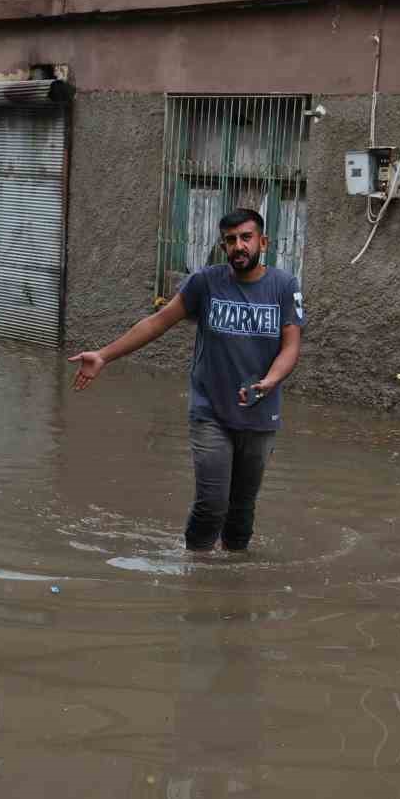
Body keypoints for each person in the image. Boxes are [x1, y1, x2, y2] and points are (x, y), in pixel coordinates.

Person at [68, 208, 303, 552]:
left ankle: (233, 584)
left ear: (262, 242)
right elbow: (157, 322)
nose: (239, 246)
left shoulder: (284, 286)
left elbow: (291, 346)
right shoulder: (205, 283)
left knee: (241, 512)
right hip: (210, 412)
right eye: (231, 240)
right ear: (224, 246)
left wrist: (270, 381)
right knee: (211, 504)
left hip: (260, 412)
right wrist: (104, 355)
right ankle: (196, 571)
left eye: (246, 238)